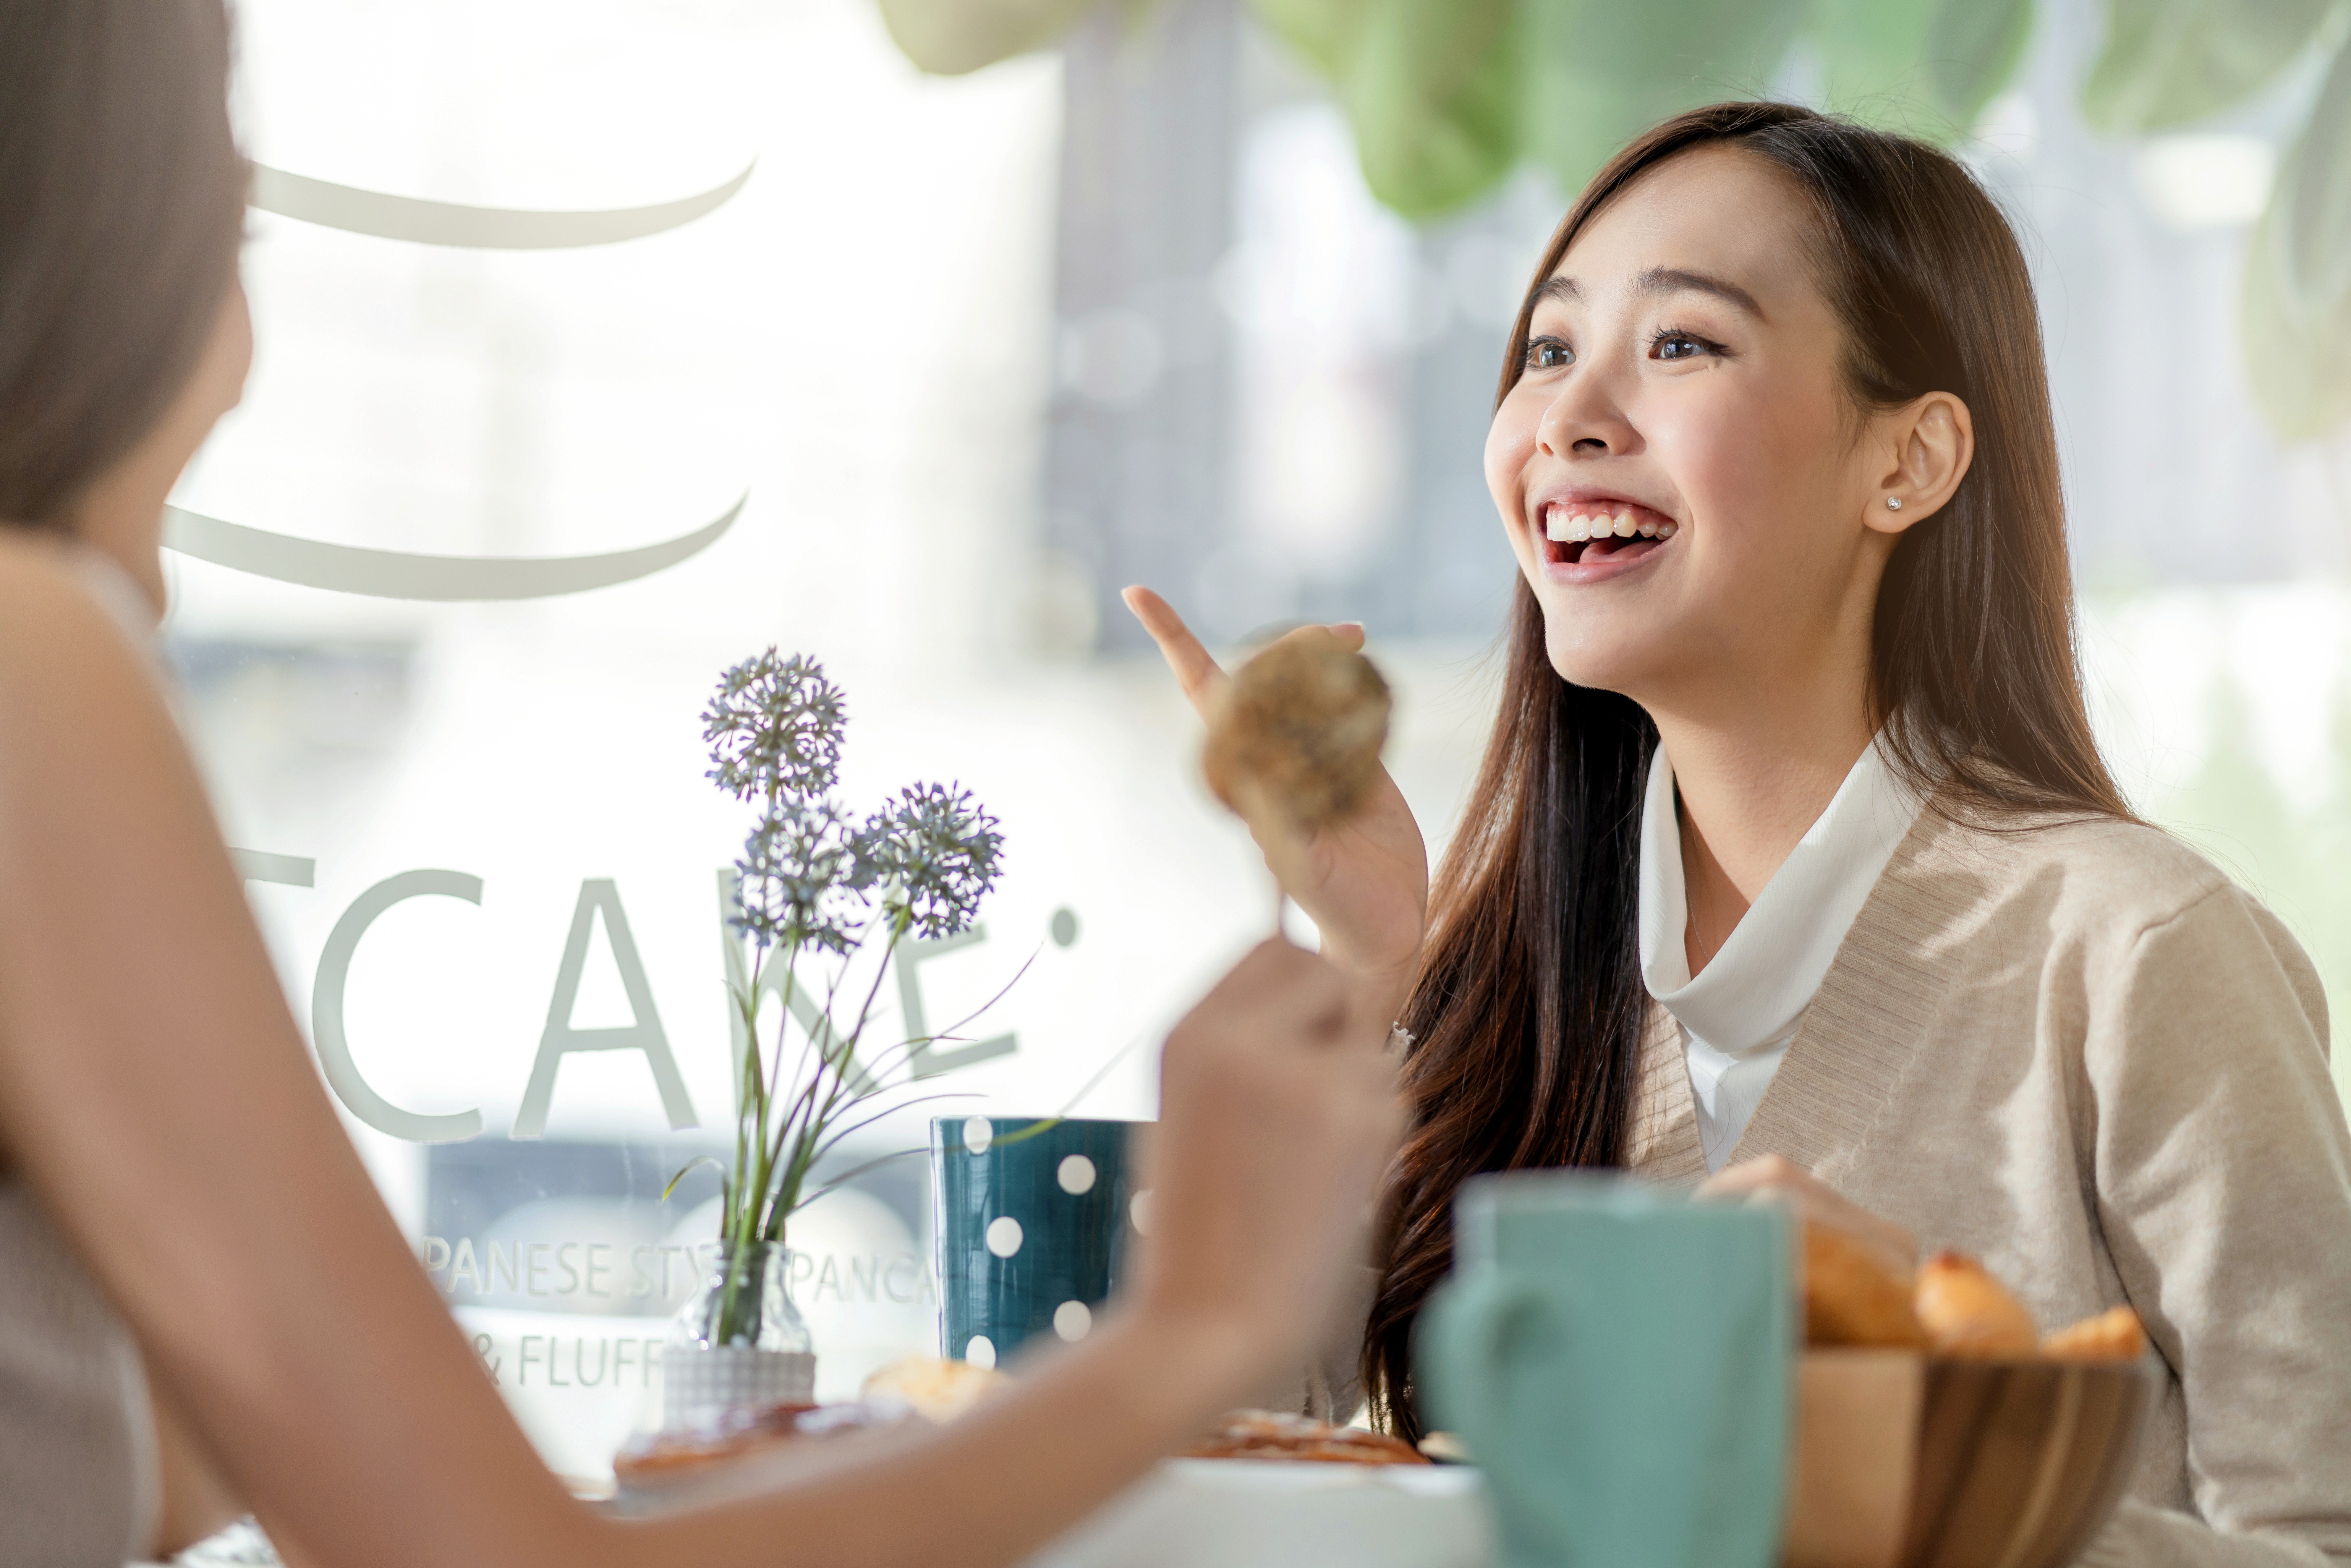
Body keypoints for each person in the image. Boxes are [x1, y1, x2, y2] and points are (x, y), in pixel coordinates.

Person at [0, 4, 1402, 1564]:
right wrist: (1195, 1321)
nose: (249, 365)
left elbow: (197, 1485)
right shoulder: (29, 650)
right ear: (99, 226)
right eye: (239, 216)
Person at [1132, 101, 2351, 1564]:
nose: (1568, 417)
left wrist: (1925, 1449)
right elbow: (1239, 1481)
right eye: (1544, 351)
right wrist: (1376, 965)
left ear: (1906, 462)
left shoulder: (2138, 956)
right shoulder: (1516, 989)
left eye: (1682, 344)